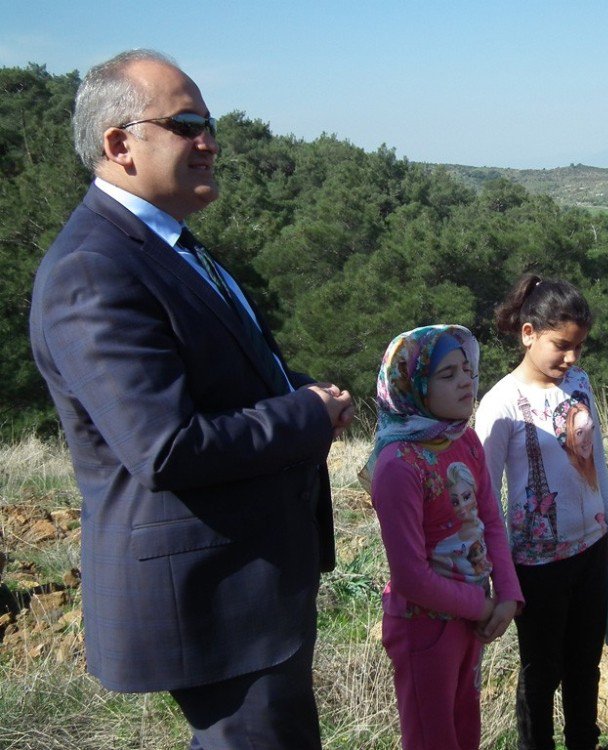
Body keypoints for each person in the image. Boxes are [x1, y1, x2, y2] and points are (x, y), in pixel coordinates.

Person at [29, 50, 354, 749]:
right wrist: (307, 417)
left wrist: (297, 389)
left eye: (209, 124)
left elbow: (212, 377)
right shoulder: (93, 269)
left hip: (249, 578)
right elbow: (165, 445)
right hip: (214, 595)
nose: (208, 141)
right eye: (184, 124)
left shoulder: (166, 246)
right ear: (119, 144)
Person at [475, 274, 608, 750]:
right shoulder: (499, 405)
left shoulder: (578, 383)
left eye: (579, 347)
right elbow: (483, 496)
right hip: (536, 565)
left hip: (589, 550)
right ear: (528, 334)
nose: (572, 358)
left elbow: (595, 461)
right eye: (562, 345)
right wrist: (495, 576)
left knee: (586, 665)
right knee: (542, 673)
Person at [367, 325, 523, 750]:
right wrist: (482, 605)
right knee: (433, 739)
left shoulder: (463, 439)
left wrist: (508, 593)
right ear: (412, 386)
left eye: (468, 370)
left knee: (464, 730)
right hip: (425, 629)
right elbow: (410, 577)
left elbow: (491, 519)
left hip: (471, 621)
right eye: (448, 374)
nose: (466, 381)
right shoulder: (399, 464)